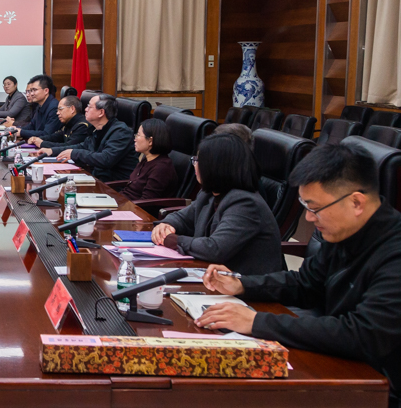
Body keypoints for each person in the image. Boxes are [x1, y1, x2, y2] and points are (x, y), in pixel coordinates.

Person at [197, 143, 401, 408]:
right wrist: (242, 285)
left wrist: (257, 322)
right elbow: (305, 283)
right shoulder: (345, 231)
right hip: (340, 365)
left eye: (314, 208)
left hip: (380, 387)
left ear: (356, 202)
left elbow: (363, 334)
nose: (309, 218)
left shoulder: (394, 253)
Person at [150, 133, 284, 275]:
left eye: (198, 160)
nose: (194, 165)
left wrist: (176, 241)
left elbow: (215, 249)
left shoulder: (245, 204)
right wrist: (167, 225)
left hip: (244, 285)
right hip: (212, 275)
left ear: (216, 166)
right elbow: (183, 218)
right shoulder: (208, 194)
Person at [56, 94, 139, 181]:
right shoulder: (96, 128)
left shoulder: (121, 132)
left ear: (101, 112)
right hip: (96, 178)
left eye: (89, 107)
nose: (85, 109)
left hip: (113, 185)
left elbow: (106, 159)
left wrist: (75, 154)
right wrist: (51, 151)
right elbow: (83, 146)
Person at [119, 118, 179, 200]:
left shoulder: (161, 168)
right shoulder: (147, 159)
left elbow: (146, 202)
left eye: (138, 135)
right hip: (123, 202)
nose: (135, 139)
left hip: (134, 207)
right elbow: (130, 189)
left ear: (150, 141)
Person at [11, 74, 59, 141]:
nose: (31, 94)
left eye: (34, 90)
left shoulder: (54, 108)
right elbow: (32, 126)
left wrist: (21, 132)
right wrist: (17, 130)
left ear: (46, 91)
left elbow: (47, 134)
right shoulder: (40, 105)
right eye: (31, 90)